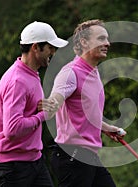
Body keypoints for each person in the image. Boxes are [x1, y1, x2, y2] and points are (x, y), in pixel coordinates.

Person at [39, 19, 126, 187]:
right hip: (72, 154)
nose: (107, 43)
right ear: (84, 42)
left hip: (88, 155)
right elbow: (53, 103)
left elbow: (84, 113)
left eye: (107, 39)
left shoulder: (93, 72)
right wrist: (49, 103)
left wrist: (106, 128)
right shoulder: (70, 73)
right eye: (101, 38)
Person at [0, 21, 68, 187]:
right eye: (50, 47)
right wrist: (41, 116)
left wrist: (42, 108)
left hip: (34, 161)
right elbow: (13, 129)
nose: (53, 52)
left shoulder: (31, 74)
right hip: (12, 169)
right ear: (35, 47)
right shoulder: (17, 80)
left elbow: (27, 110)